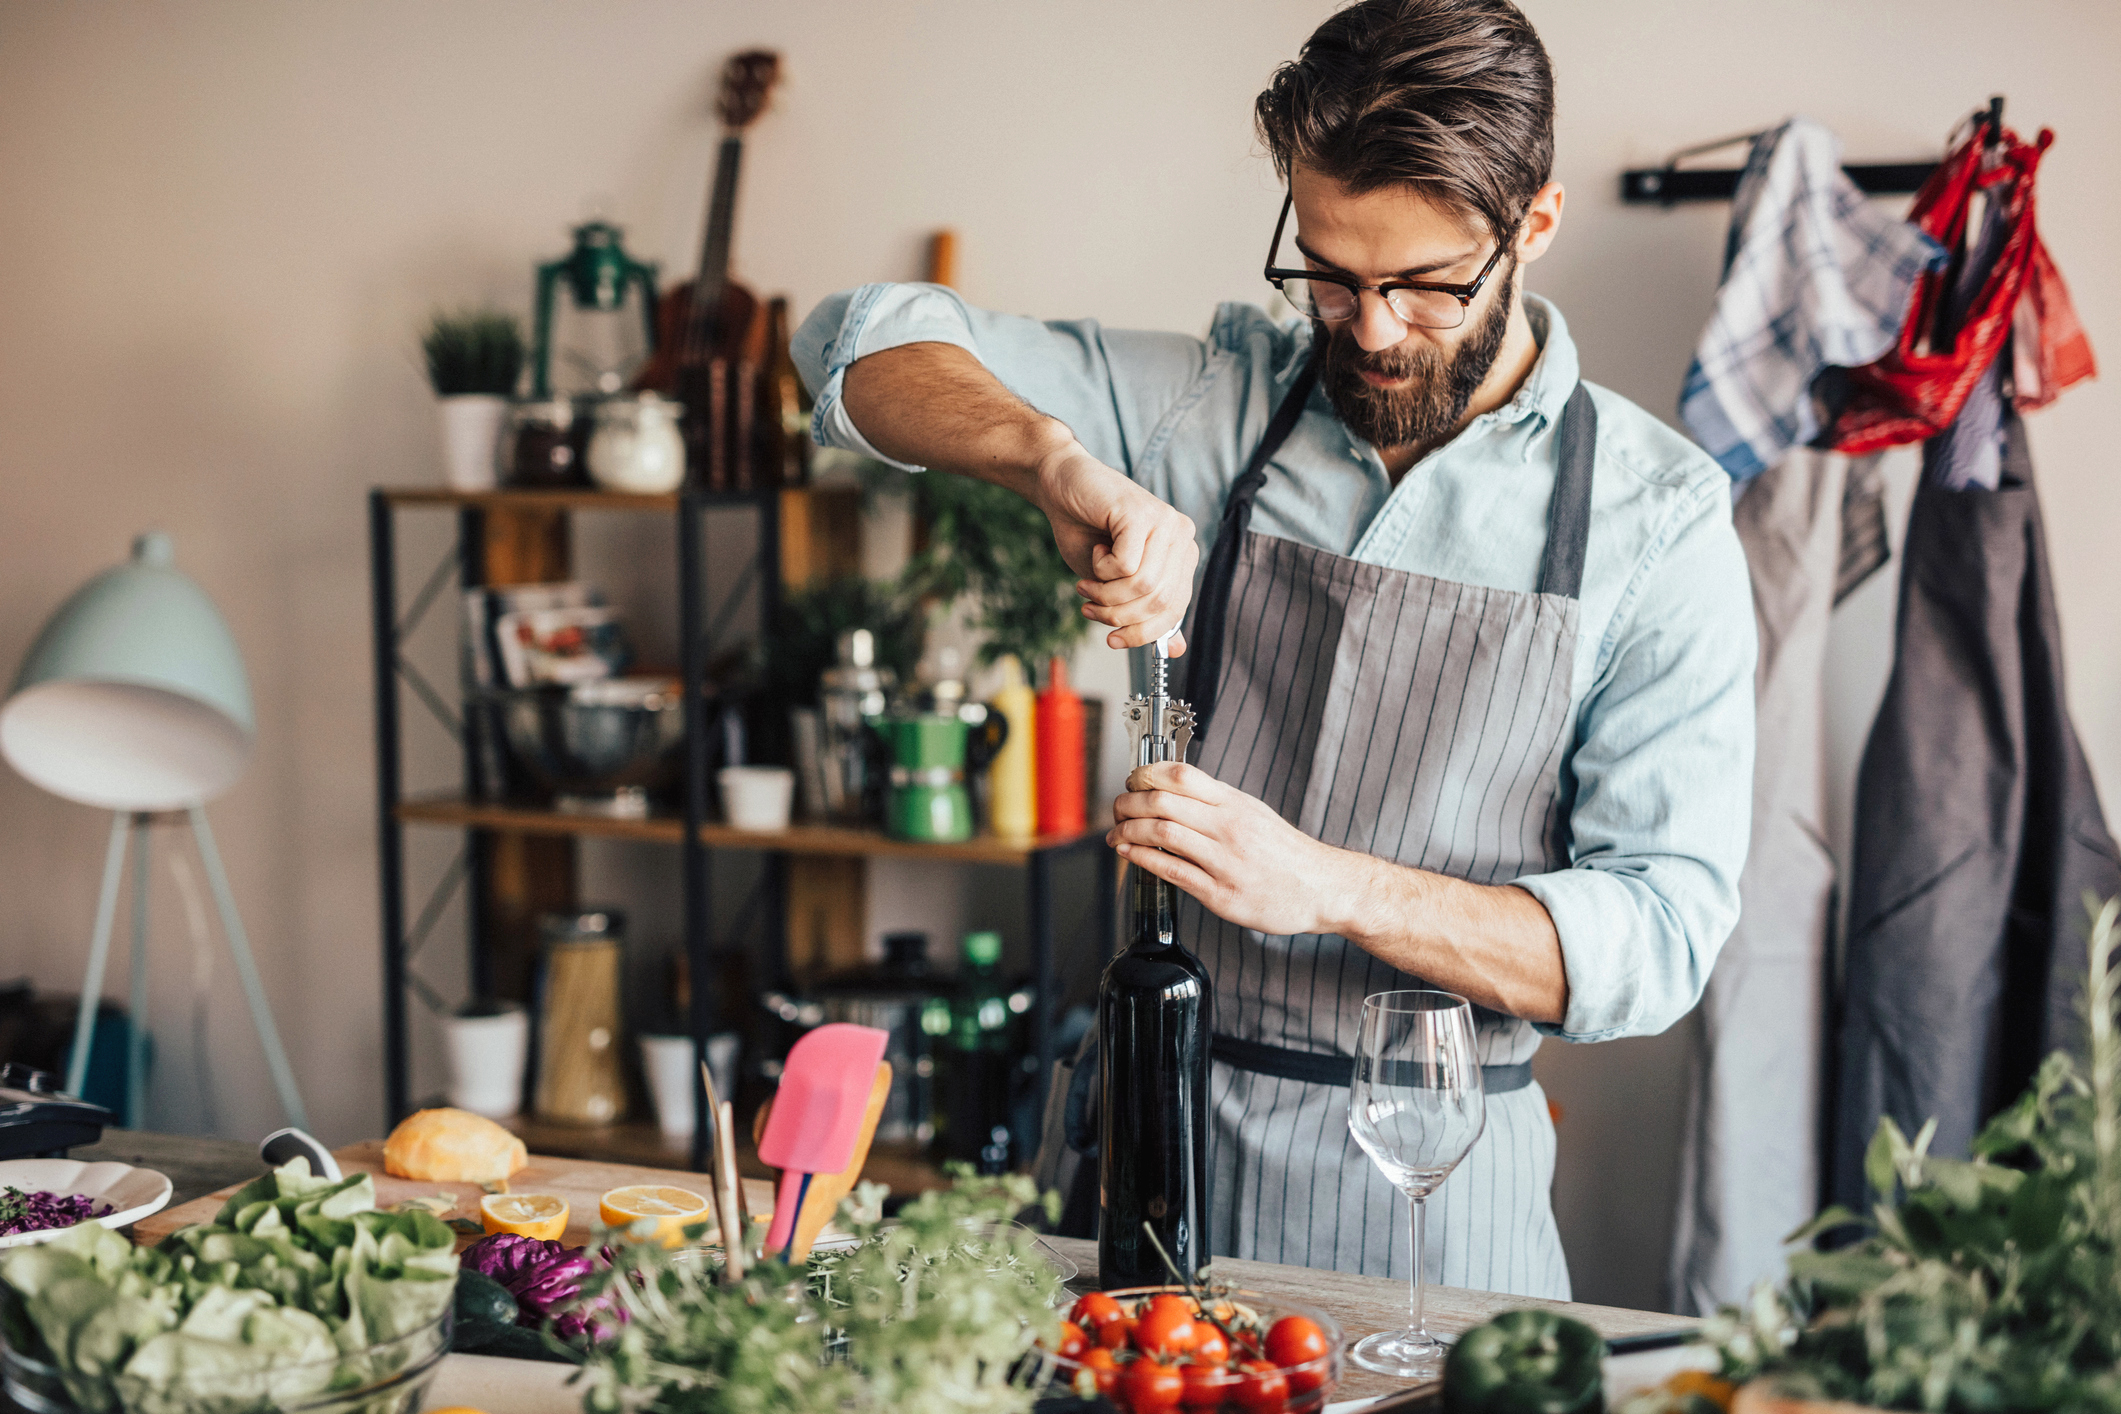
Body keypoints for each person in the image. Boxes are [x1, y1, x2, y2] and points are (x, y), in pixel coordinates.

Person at [791, 0, 1754, 1298]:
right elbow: (852, 343)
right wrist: (1051, 460)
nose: (1366, 328)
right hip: (1144, 1155)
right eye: (1329, 272)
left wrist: (1326, 885)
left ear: (1532, 224)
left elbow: (1659, 936)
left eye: (1422, 284)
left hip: (1436, 1211)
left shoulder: (1657, 521)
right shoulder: (1214, 401)